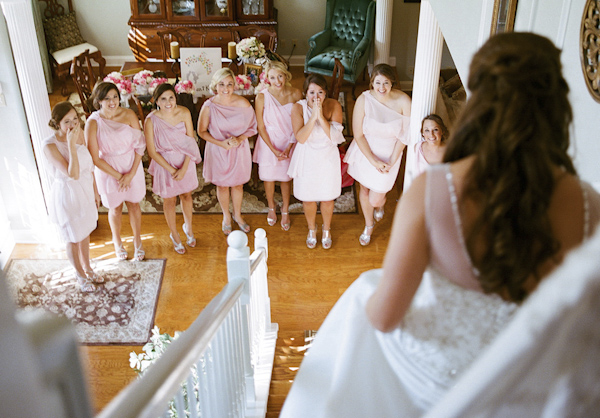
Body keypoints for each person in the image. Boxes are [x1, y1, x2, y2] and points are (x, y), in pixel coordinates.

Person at [280, 32, 600, 417]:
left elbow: (385, 318)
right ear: (556, 107)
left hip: (434, 382)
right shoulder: (588, 206)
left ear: (477, 102)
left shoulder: (435, 189)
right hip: (524, 390)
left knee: (361, 297)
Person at [344, 64, 411, 246]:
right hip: (366, 152)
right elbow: (358, 134)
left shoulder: (404, 101)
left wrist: (391, 160)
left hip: (391, 154)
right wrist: (373, 160)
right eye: (378, 82)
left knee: (376, 197)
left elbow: (405, 136)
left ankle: (380, 204)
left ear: (392, 83)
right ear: (372, 83)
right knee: (364, 191)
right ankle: (369, 225)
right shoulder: (363, 100)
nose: (382, 87)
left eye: (386, 83)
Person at [44, 102, 103, 292]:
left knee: (84, 233)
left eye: (75, 119)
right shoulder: (49, 146)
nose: (72, 125)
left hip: (84, 190)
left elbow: (89, 167)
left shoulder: (79, 133)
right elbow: (73, 174)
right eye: (67, 121)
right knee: (72, 237)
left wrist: (95, 190)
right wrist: (70, 144)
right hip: (67, 195)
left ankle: (88, 268)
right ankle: (79, 274)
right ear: (57, 123)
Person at [86, 81, 146, 261]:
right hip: (108, 169)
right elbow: (95, 158)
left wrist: (131, 174)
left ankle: (137, 241)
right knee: (115, 208)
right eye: (106, 98)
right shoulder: (93, 123)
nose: (112, 102)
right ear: (98, 101)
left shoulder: (129, 114)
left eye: (115, 97)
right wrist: (120, 177)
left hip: (131, 164)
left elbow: (140, 146)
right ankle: (117, 240)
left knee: (135, 204)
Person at [197, 68, 257, 235]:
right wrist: (221, 144)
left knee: (238, 184)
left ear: (234, 86)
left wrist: (240, 138)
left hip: (239, 150)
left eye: (229, 84)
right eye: (221, 84)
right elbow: (201, 132)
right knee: (222, 186)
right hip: (218, 150)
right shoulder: (209, 106)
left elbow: (253, 127)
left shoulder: (243, 104)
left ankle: (237, 215)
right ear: (215, 86)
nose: (225, 88)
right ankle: (226, 216)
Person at [288, 73, 345, 249]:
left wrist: (321, 117)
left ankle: (326, 229)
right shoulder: (298, 108)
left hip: (327, 158)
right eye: (312, 92)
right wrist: (313, 117)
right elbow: (302, 138)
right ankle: (312, 229)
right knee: (308, 198)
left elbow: (335, 138)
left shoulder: (334, 105)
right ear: (306, 94)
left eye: (320, 92)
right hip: (307, 158)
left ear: (325, 93)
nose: (316, 97)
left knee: (328, 198)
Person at [145, 83, 201, 254]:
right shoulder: (151, 120)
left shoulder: (184, 112)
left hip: (185, 160)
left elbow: (191, 142)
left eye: (171, 97)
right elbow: (152, 152)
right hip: (165, 163)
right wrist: (171, 170)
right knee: (169, 200)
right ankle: (174, 234)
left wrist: (184, 168)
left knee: (186, 195)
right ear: (156, 101)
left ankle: (189, 228)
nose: (168, 102)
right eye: (163, 99)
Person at [253, 61, 302, 230]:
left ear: (286, 75)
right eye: (272, 77)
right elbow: (260, 126)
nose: (277, 81)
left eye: (280, 76)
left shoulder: (296, 94)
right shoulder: (262, 97)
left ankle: (286, 209)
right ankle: (272, 207)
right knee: (269, 177)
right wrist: (273, 150)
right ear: (267, 78)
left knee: (285, 178)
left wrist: (289, 146)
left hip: (290, 140)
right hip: (269, 142)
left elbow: (300, 121)